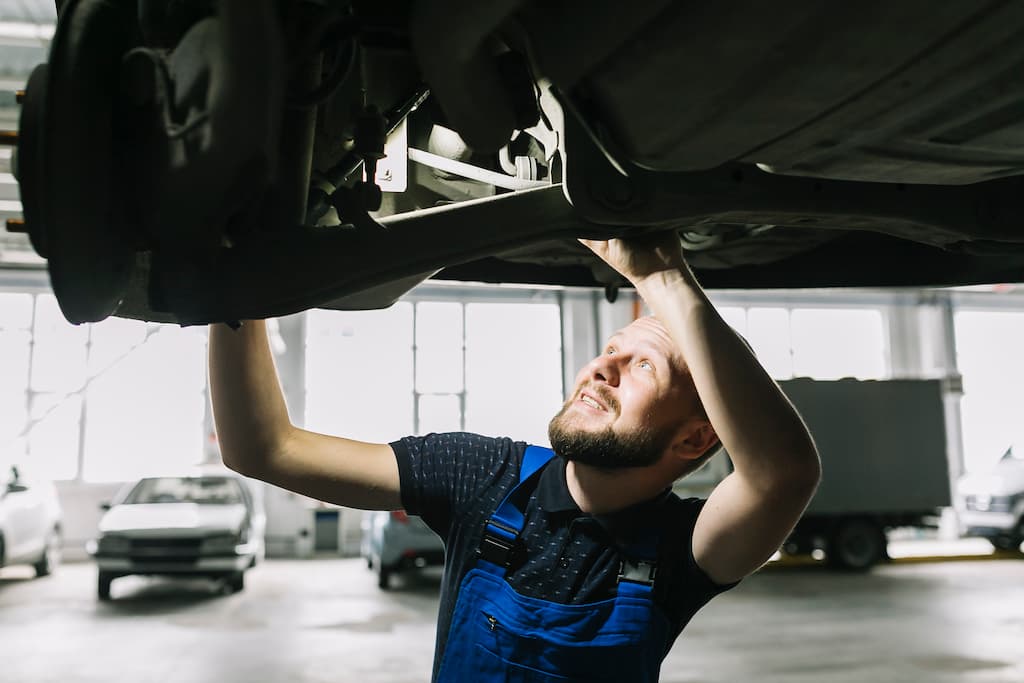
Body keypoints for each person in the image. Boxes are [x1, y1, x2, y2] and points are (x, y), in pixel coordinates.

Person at [208, 233, 821, 682]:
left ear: (693, 440)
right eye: (611, 349)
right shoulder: (483, 477)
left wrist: (662, 277)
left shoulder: (683, 550)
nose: (600, 368)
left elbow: (783, 474)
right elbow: (264, 449)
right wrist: (240, 286)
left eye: (642, 367)